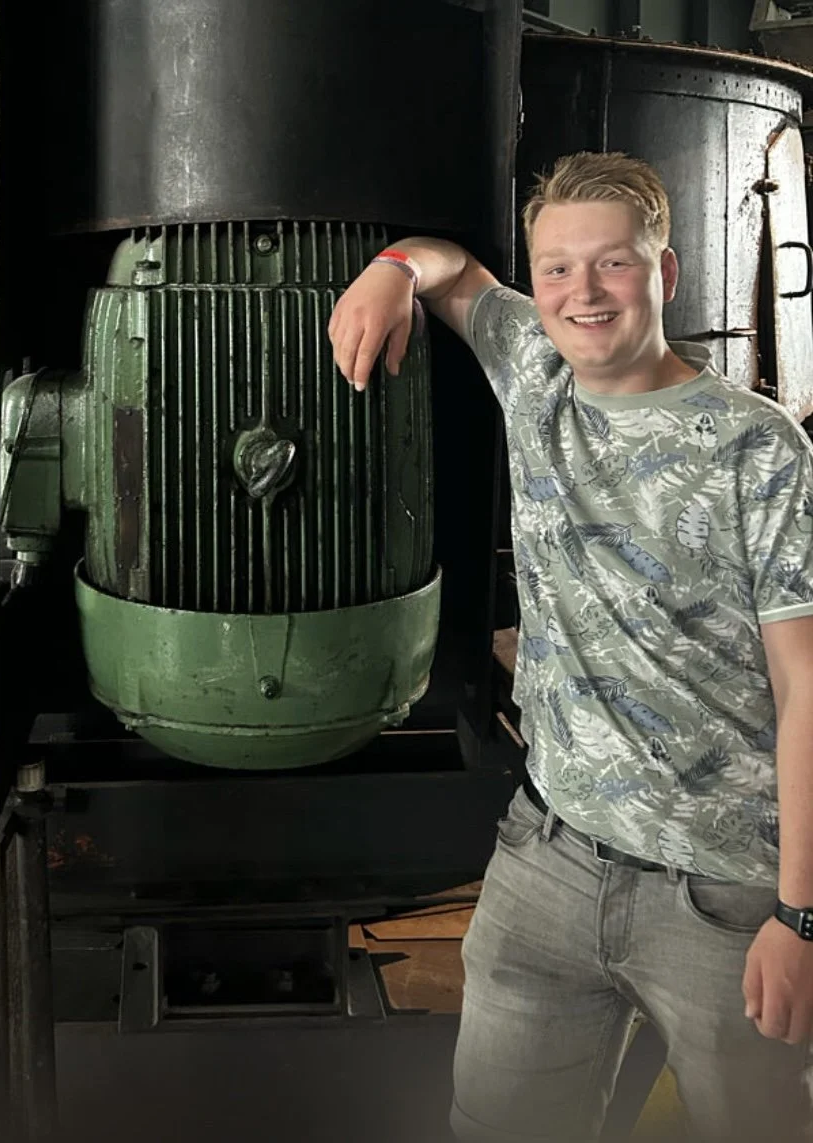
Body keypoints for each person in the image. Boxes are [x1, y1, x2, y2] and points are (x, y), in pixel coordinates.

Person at [328, 151, 813, 1142]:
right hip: (547, 861)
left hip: (720, 894)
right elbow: (454, 273)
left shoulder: (757, 449)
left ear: (665, 275)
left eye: (612, 265)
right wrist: (390, 267)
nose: (580, 292)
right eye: (556, 268)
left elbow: (806, 690)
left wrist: (801, 917)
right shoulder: (529, 365)